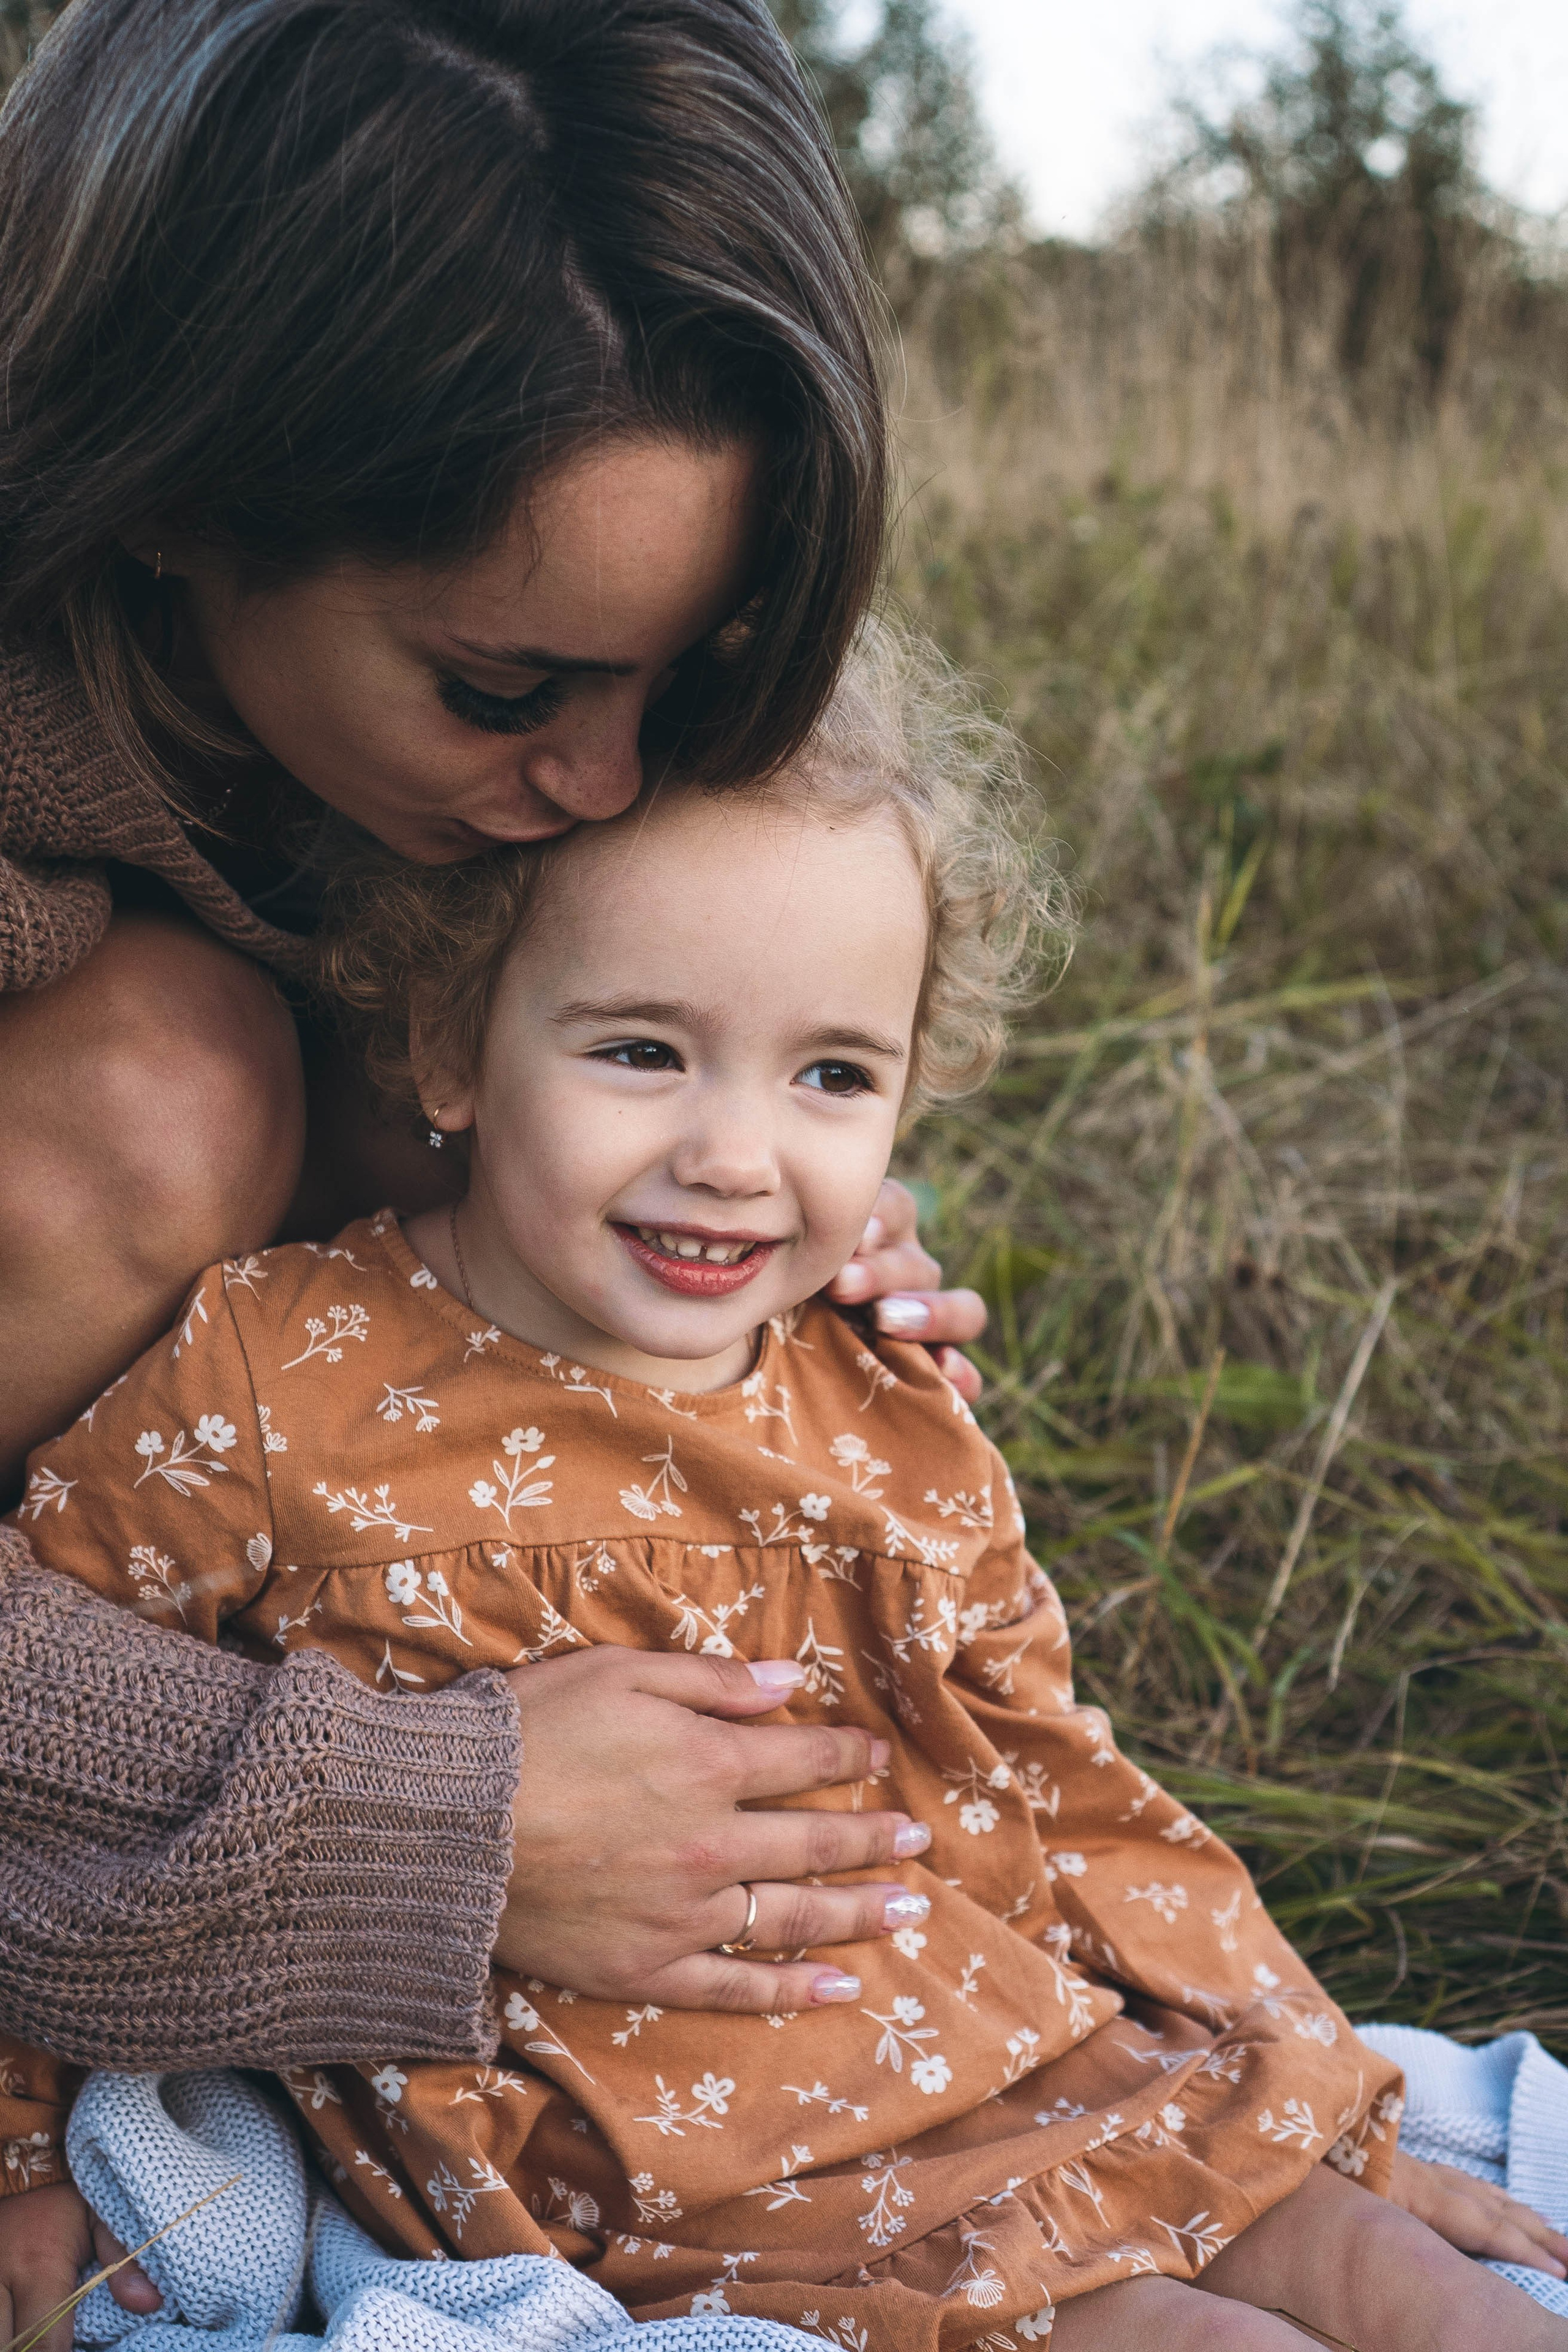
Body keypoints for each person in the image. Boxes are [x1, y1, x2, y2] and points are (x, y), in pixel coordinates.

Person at [12, 627, 1567, 2352]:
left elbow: (1062, 1780)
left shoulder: (880, 1401)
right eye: (643, 1054)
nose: (737, 1156)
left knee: (1411, 2284)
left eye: (832, 1075)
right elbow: (56, 1797)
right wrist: (18, 2143)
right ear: (451, 1048)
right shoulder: (277, 1373)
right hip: (687, 2169)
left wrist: (1320, 2089)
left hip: (997, 2038)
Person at [0, 3, 983, 2341]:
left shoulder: (421, 782)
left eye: (683, 670)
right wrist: (411, 1826)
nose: (613, 778)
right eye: (508, 688)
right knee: (172, 1084)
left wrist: (718, 1246)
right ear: (172, 498)